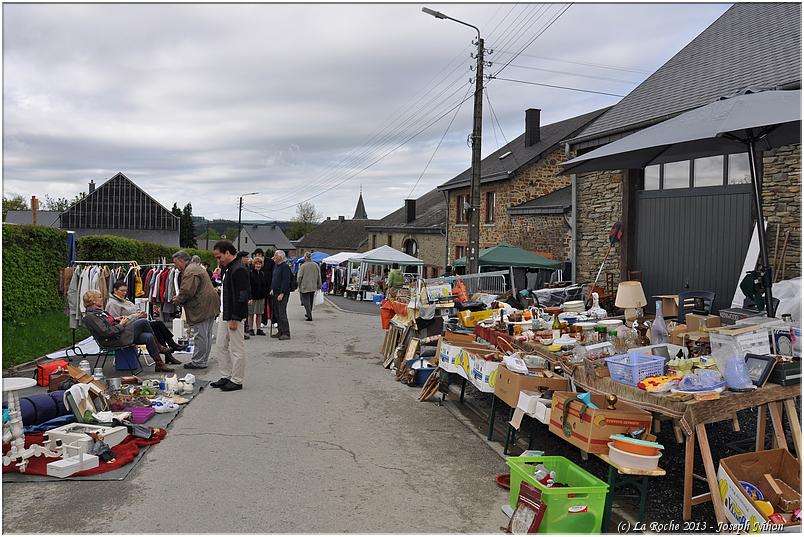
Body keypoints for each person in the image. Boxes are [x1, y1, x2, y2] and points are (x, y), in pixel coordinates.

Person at [82, 290, 174, 373]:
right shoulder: (91, 316)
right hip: (112, 340)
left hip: (118, 335)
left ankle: (159, 364)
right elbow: (106, 332)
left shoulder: (100, 312)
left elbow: (107, 324)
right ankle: (160, 348)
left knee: (148, 337)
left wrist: (116, 319)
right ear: (93, 300)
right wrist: (121, 324)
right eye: (99, 297)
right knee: (143, 322)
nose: (102, 299)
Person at [105, 280, 183, 365]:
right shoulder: (113, 304)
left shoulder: (124, 300)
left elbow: (134, 311)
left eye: (126, 290)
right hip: (127, 329)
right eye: (122, 291)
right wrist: (137, 316)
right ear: (115, 290)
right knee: (155, 325)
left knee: (157, 328)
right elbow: (117, 322)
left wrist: (141, 313)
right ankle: (168, 347)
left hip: (135, 324)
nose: (124, 293)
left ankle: (167, 355)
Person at [210, 240, 250, 391]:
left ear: (228, 253)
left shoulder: (239, 269)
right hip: (224, 313)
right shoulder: (228, 268)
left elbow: (242, 296)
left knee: (236, 348)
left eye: (219, 257)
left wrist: (235, 317)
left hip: (234, 315)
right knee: (221, 345)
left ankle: (237, 380)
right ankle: (225, 375)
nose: (217, 260)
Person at [171, 251, 220, 370]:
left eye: (175, 263)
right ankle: (202, 359)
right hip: (209, 304)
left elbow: (187, 290)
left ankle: (198, 361)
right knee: (206, 334)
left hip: (201, 306)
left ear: (182, 261)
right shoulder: (196, 267)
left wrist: (178, 299)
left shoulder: (190, 271)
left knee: (201, 335)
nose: (175, 266)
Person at [270, 250, 292, 340]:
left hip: (282, 293)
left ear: (280, 257)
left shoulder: (285, 267)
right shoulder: (276, 266)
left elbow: (285, 281)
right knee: (277, 312)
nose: (274, 257)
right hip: (275, 292)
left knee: (282, 313)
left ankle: (286, 333)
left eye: (275, 255)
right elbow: (274, 278)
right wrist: (272, 288)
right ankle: (280, 331)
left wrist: (282, 293)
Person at [297, 252, 322, 321]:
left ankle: (309, 315)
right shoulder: (316, 265)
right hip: (313, 286)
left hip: (304, 286)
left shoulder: (303, 266)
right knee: (310, 301)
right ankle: (309, 313)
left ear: (305, 257)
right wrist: (319, 285)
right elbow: (319, 276)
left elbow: (299, 277)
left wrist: (298, 285)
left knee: (306, 302)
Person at [248, 256, 269, 335]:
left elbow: (265, 285)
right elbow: (248, 286)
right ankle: (250, 329)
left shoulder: (262, 274)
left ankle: (259, 328)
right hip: (253, 297)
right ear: (254, 264)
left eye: (260, 264)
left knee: (259, 313)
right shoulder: (250, 273)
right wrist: (249, 297)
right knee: (251, 314)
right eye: (256, 264)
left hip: (261, 297)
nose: (258, 265)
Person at [237, 251, 252, 339]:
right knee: (242, 314)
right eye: (246, 257)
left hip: (245, 294)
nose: (247, 259)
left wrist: (249, 295)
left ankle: (245, 330)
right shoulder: (240, 268)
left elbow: (248, 283)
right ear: (241, 258)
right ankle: (242, 331)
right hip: (241, 295)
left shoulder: (246, 267)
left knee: (245, 314)